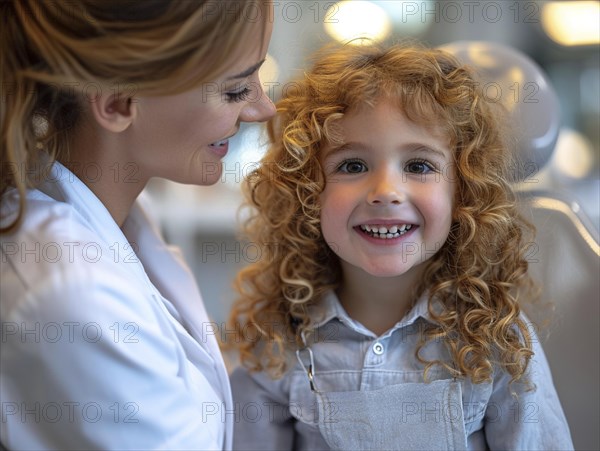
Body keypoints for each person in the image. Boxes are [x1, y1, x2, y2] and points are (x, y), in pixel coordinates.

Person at [227, 42, 574, 450]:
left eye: (418, 166)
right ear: (307, 190)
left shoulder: (499, 342)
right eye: (352, 165)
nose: (386, 191)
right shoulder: (278, 340)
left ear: (463, 193)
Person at [0, 0, 275, 449]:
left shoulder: (115, 217)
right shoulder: (71, 295)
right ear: (117, 102)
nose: (263, 109)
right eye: (234, 90)